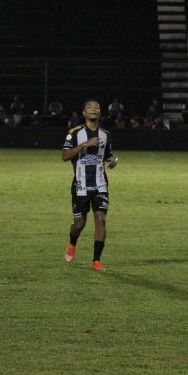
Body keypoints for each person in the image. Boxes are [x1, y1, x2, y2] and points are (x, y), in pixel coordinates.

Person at [62, 99, 118, 271]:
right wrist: (84, 145)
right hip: (81, 185)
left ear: (100, 113)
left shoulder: (106, 135)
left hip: (100, 184)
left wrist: (113, 160)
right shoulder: (74, 133)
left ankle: (96, 260)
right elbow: (65, 156)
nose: (94, 109)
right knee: (79, 224)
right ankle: (72, 242)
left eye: (97, 107)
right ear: (84, 113)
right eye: (89, 107)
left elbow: (107, 154)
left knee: (100, 219)